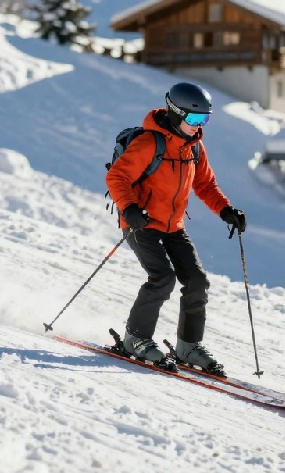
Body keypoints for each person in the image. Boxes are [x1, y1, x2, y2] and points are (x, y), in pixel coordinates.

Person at [105, 82, 247, 375]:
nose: (199, 126)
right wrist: (129, 209)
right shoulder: (148, 143)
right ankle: (135, 339)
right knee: (162, 277)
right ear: (175, 112)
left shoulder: (194, 147)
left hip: (173, 226)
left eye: (205, 120)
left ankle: (188, 346)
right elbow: (117, 177)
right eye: (195, 119)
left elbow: (205, 184)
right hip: (141, 224)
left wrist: (226, 210)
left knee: (196, 281)